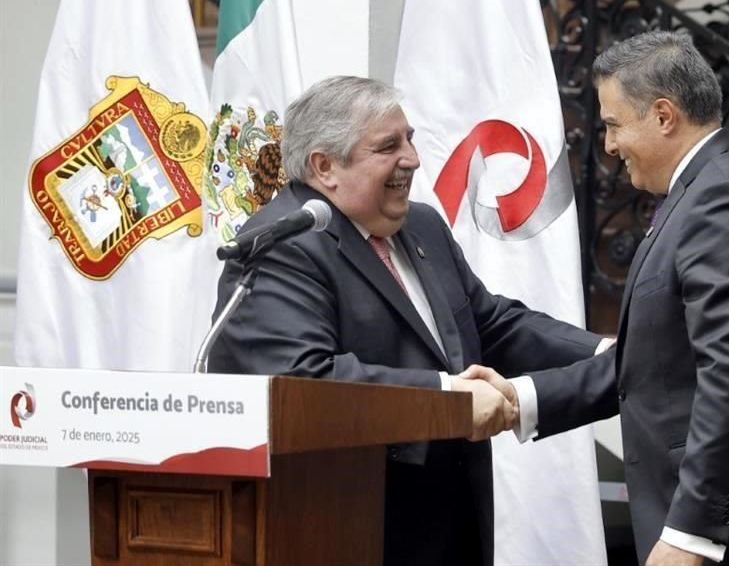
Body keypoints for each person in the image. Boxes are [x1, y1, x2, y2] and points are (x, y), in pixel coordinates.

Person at [465, 31, 729, 566]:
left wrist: (691, 533)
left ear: (664, 115)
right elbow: (657, 361)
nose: (608, 145)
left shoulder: (723, 197)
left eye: (614, 124)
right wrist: (521, 398)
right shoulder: (702, 190)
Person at [207, 76, 605, 566]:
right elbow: (305, 381)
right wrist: (448, 399)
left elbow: (489, 322)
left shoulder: (420, 224)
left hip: (450, 519)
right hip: (346, 526)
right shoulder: (283, 245)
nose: (413, 159)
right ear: (325, 166)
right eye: (389, 146)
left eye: (411, 138)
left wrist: (605, 354)